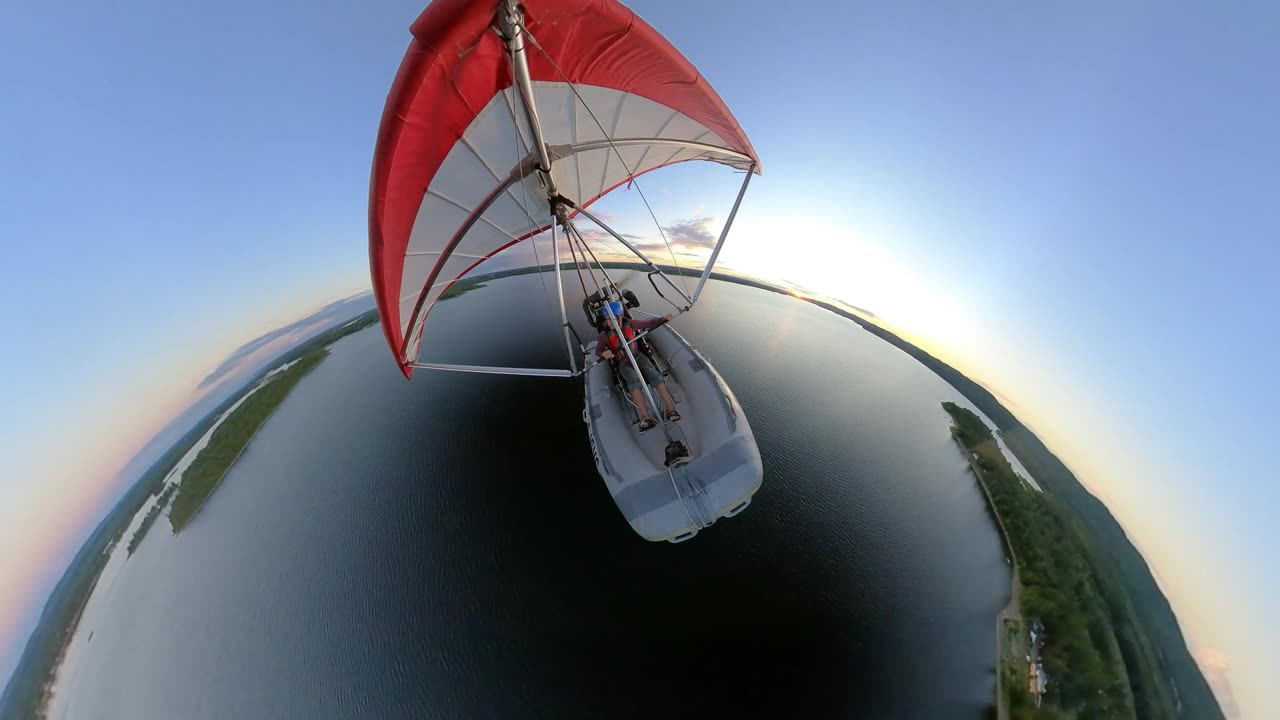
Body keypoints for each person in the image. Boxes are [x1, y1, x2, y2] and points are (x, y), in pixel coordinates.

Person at [595, 301, 680, 431]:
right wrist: (604, 353)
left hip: (638, 357)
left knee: (653, 374)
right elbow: (598, 351)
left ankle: (671, 410)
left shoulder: (631, 324)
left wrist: (663, 319)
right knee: (633, 380)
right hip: (623, 362)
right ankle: (646, 418)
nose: (608, 323)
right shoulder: (604, 335)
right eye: (607, 320)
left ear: (619, 317)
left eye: (611, 319)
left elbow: (649, 324)